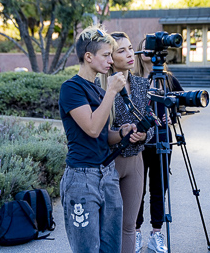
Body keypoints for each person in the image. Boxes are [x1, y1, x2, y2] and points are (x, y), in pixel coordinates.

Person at [58, 25, 141, 252]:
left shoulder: (98, 90)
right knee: (87, 249)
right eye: (106, 55)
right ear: (88, 57)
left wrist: (122, 133)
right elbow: (92, 128)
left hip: (107, 174)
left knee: (111, 247)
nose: (110, 61)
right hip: (81, 178)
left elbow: (102, 136)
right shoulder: (71, 88)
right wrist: (112, 91)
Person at [98, 32, 154, 253]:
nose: (130, 54)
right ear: (110, 57)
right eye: (122, 50)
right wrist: (120, 132)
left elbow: (151, 120)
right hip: (110, 162)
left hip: (136, 162)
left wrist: (143, 135)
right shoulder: (99, 86)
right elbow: (97, 128)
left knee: (130, 226)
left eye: (130, 48)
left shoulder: (141, 84)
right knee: (107, 226)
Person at [134, 38, 184, 253]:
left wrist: (175, 114)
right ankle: (134, 233)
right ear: (140, 50)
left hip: (163, 141)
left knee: (158, 190)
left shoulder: (168, 80)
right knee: (136, 191)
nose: (151, 50)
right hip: (137, 143)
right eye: (147, 45)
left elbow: (181, 104)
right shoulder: (132, 79)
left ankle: (156, 234)